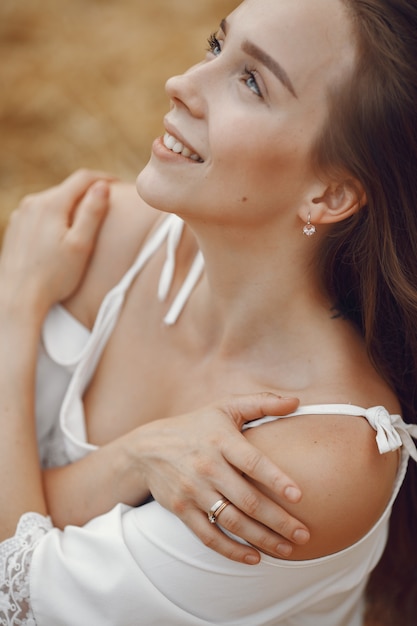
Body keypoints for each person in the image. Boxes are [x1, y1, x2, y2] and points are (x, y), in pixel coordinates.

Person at [1, 0, 417, 624]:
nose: (181, 84)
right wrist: (129, 458)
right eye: (217, 46)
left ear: (329, 192)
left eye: (252, 81)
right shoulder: (98, 233)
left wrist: (14, 309)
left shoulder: (314, 462)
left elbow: (23, 603)